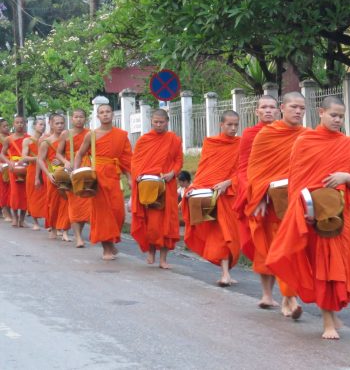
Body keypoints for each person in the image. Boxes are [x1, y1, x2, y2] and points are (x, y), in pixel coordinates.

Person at [267, 96, 350, 339]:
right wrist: (304, 213)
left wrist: (346, 177)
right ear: (321, 112)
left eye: (341, 117)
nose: (337, 120)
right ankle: (327, 322)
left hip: (343, 217)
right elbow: (297, 182)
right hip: (317, 217)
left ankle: (333, 313)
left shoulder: (349, 144)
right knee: (325, 268)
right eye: (333, 115)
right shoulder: (305, 141)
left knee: (343, 268)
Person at [246, 92, 307, 317]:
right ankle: (289, 299)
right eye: (293, 107)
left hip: (298, 203)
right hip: (273, 204)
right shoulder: (267, 135)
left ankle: (288, 298)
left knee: (295, 251)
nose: (298, 111)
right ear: (283, 108)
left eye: (302, 108)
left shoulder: (308, 136)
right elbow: (255, 169)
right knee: (281, 250)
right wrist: (260, 196)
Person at [182, 110, 241, 286]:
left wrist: (227, 183)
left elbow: (244, 172)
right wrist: (194, 188)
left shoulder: (242, 144)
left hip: (230, 194)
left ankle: (226, 272)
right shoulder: (211, 143)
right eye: (229, 125)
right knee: (222, 234)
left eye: (236, 125)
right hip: (213, 195)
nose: (233, 128)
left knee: (232, 234)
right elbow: (204, 169)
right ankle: (225, 274)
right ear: (221, 125)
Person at [73, 104, 132, 260]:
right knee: (102, 213)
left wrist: (130, 178)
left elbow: (126, 160)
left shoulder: (121, 135)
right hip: (97, 178)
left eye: (107, 112)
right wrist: (75, 173)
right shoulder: (91, 135)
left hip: (114, 177)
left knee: (118, 213)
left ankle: (111, 242)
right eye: (101, 112)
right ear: (97, 116)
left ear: (112, 114)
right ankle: (106, 248)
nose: (105, 114)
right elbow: (79, 154)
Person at [130, 109, 183, 269]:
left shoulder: (174, 139)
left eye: (162, 122)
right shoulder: (144, 140)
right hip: (147, 186)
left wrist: (172, 173)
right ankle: (151, 251)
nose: (159, 125)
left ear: (167, 122)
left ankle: (163, 259)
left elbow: (179, 161)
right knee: (151, 222)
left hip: (167, 185)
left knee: (168, 223)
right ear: (151, 122)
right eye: (156, 122)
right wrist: (138, 175)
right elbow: (135, 161)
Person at [233, 95, 279, 266]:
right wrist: (255, 194)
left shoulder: (288, 133)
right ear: (257, 111)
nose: (268, 110)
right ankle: (267, 291)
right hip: (257, 194)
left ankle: (288, 291)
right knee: (262, 238)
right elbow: (243, 167)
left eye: (272, 107)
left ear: (278, 110)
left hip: (282, 193)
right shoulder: (249, 134)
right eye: (264, 107)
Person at [57, 109, 92, 248]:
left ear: (85, 119)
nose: (78, 119)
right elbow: (58, 153)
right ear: (72, 119)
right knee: (73, 203)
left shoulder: (90, 134)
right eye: (76, 117)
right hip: (71, 169)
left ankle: (79, 233)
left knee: (85, 203)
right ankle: (78, 237)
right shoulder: (66, 134)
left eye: (81, 117)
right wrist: (65, 162)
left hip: (85, 171)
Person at [37, 114, 71, 241]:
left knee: (66, 202)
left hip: (66, 174)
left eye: (62, 123)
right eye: (57, 123)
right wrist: (47, 174)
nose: (60, 126)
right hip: (53, 175)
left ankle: (65, 230)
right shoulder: (47, 142)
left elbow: (72, 155)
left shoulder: (68, 139)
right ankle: (53, 227)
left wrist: (63, 162)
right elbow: (40, 160)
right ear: (51, 124)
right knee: (54, 203)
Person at [0, 115, 30, 227]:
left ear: (25, 124)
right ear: (14, 124)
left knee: (24, 194)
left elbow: (32, 153)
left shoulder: (28, 138)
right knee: (14, 193)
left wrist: (26, 160)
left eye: (21, 122)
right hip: (13, 168)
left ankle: (22, 219)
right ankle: (15, 217)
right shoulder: (9, 138)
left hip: (25, 168)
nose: (19, 125)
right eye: (17, 122)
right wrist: (9, 162)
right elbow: (2, 154)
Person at [22, 118, 48, 232]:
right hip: (32, 170)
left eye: (44, 125)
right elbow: (24, 157)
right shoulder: (27, 141)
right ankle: (36, 222)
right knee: (33, 195)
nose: (42, 127)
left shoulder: (47, 139)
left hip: (46, 169)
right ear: (34, 126)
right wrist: (38, 158)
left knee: (47, 196)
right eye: (40, 124)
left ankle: (49, 222)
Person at [0, 118, 12, 222]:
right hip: (1, 167)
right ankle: (5, 211)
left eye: (7, 125)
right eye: (4, 126)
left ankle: (9, 210)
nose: (7, 127)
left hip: (11, 165)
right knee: (3, 190)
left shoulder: (10, 137)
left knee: (10, 190)